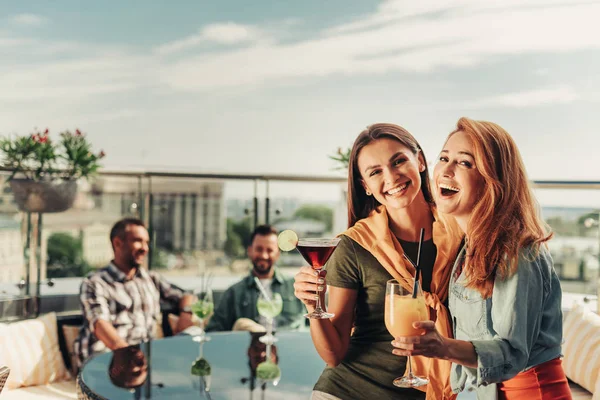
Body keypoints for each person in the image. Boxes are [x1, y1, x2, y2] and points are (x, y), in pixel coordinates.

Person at [392, 117, 570, 399]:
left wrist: (444, 347)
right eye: (444, 157)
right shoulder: (470, 246)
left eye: (465, 163)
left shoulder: (517, 251)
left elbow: (512, 354)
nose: (446, 170)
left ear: (493, 180)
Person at [294, 123, 463, 400]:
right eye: (375, 172)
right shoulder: (354, 245)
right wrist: (314, 305)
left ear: (420, 161)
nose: (392, 177)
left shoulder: (462, 236)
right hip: (348, 392)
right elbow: (334, 355)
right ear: (366, 187)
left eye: (399, 161)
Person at [74, 218, 196, 368]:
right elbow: (100, 325)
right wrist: (129, 356)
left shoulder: (151, 278)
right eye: (138, 241)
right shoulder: (95, 282)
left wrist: (185, 314)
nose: (145, 248)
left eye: (146, 242)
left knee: (196, 338)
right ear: (117, 243)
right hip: (107, 359)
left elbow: (186, 296)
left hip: (144, 360)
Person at [206, 224, 305, 332]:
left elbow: (313, 325)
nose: (264, 255)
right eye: (259, 249)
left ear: (277, 254)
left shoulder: (296, 286)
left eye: (269, 250)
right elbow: (213, 331)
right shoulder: (234, 293)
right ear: (250, 251)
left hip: (290, 346)